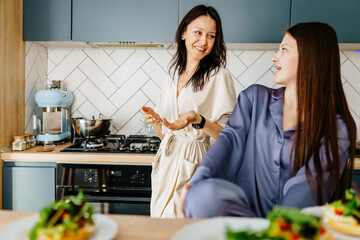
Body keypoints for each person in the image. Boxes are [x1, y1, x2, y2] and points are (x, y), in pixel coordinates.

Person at [177, 22, 357, 218]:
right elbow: (228, 144)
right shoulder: (254, 99)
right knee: (204, 194)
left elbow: (307, 188)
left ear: (310, 57)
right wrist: (197, 183)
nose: (275, 57)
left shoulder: (337, 128)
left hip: (292, 229)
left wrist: (276, 230)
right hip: (242, 224)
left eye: (284, 50)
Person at [142, 5, 236, 218]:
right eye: (198, 32)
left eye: (211, 36)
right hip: (167, 161)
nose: (203, 41)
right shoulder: (172, 77)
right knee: (161, 224)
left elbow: (229, 137)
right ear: (184, 32)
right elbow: (166, 134)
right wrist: (156, 120)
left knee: (185, 226)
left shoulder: (219, 77)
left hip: (196, 163)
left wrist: (199, 120)